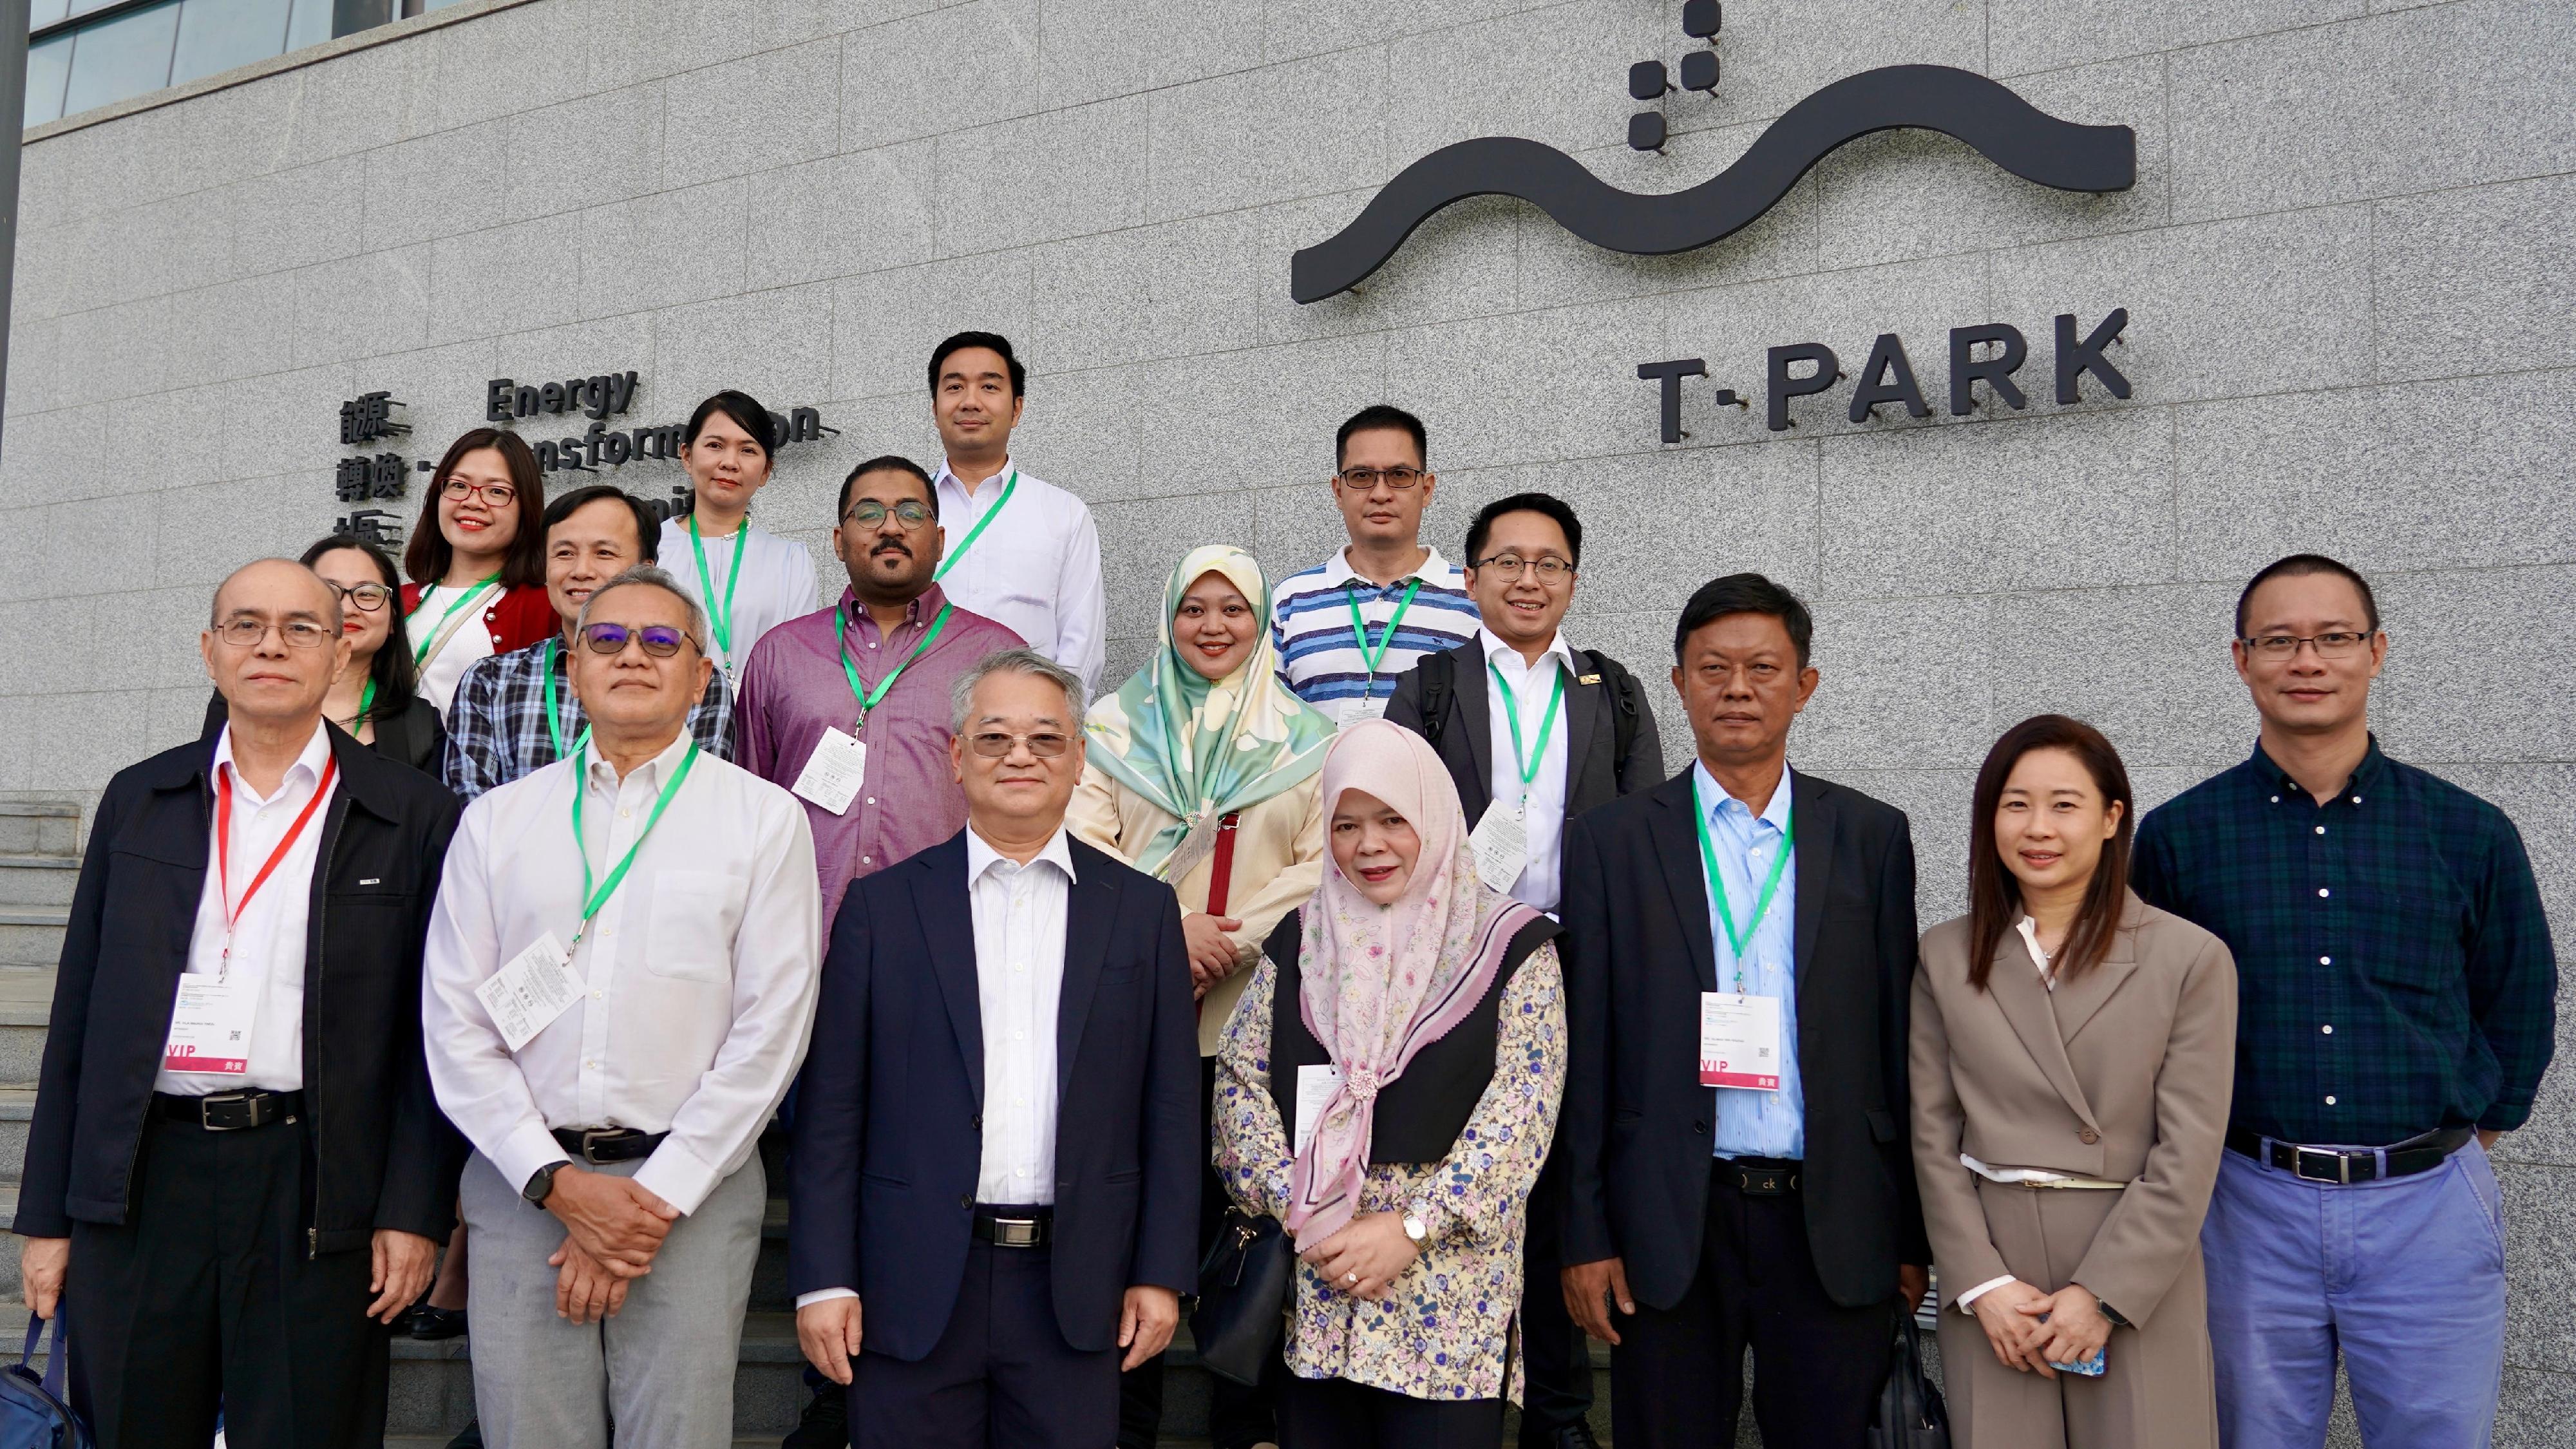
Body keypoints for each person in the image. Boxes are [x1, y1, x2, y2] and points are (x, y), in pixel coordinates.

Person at [16, 559, 463, 1449]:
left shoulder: (410, 812)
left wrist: (413, 1211)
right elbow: (77, 1018)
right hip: (146, 1175)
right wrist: (46, 1218)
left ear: (340, 651)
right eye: (246, 623)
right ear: (210, 650)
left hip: (315, 1178)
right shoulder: (140, 798)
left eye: (302, 626)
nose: (272, 643)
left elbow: (431, 1038)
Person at [2130, 554, 2557, 1449]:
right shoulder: (2181, 838)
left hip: (2427, 1201)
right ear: (2241, 660)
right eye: (2279, 640)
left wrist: (2462, 1135)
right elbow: (2148, 1018)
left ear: (2377, 651)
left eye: (2334, 637)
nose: (2308, 660)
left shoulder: (2467, 830)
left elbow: (2518, 995)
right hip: (2247, 1200)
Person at [421, 565, 821, 1448]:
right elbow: (456, 1024)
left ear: (701, 673)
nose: (631, 655)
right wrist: (560, 1186)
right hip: (523, 1188)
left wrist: (650, 1200)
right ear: (572, 664)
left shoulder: (764, 819)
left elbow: (774, 1024)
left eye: (659, 640)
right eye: (606, 639)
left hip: (691, 1193)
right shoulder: (496, 821)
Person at [788, 649, 1197, 1449]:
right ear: (956, 756)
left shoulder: (1143, 914)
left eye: (1046, 740)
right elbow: (833, 1112)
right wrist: (824, 1279)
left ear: (1080, 758)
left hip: (1078, 1289)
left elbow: (1171, 1110)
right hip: (908, 1284)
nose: (1020, 756)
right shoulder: (881, 908)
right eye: (994, 737)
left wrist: (1159, 1271)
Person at [1555, 572, 1929, 1449]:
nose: (1737, 687)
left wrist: (1911, 1235)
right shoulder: (1612, 840)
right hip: (1669, 1220)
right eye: (1712, 666)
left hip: (1831, 1217)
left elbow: (1899, 1044)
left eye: (1763, 667)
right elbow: (1588, 1046)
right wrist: (1585, 1230)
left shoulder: (1872, 837)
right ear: (1679, 683)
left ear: (1804, 684)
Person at [1381, 491, 1660, 1449]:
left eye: (1549, 563)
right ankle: (1453, 1393)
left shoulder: (1611, 690)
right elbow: (1392, 821)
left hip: (1578, 963)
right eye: (1508, 561)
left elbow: (1646, 834)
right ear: (1470, 578)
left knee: (1556, 1178)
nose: (1529, 578)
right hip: (1459, 966)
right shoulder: (1431, 686)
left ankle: (1557, 1411)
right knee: (1466, 1168)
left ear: (1573, 580)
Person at [1210, 719, 1567, 1448]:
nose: (1368, 846)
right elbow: (1240, 1084)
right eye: (1346, 825)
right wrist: (1307, 1212)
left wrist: (1411, 1228)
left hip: (1445, 1298)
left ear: (1432, 818)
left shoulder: (1511, 945)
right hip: (1318, 1283)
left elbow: (1522, 1113)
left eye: (1391, 821)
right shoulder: (1301, 937)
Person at [1070, 545, 1336, 1449]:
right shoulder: (1110, 727)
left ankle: (1246, 1421)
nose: (1214, 626)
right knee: (1133, 1220)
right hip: (1132, 1014)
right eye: (1196, 608)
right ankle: (1125, 1418)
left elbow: (1322, 861)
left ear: (1261, 623)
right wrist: (1164, 930)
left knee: (1248, 1220)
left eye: (1234, 609)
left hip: (1250, 1020)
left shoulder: (1306, 737)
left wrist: (1229, 937)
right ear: (1169, 617)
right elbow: (1078, 841)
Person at [1912, 715, 2237, 1448]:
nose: (2039, 828)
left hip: (2133, 1261)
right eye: (2015, 803)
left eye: (2065, 804)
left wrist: (2103, 1295)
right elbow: (1931, 1135)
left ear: (2111, 817)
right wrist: (1980, 1284)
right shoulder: (1944, 953)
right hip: (1995, 1265)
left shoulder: (2187, 958)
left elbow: (2189, 1152)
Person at [735, 454, 1025, 926]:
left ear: (940, 540)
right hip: (802, 935)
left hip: (948, 933)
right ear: (837, 541)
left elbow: (1023, 805)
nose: (891, 527)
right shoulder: (780, 655)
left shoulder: (999, 657)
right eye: (868, 513)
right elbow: (745, 808)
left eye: (912, 513)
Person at [442, 484, 734, 802]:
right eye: (564, 553)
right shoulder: (490, 682)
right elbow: (470, 810)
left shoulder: (692, 678)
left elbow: (701, 803)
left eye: (604, 553)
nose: (581, 571)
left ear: (645, 571)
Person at [922, 331, 1107, 694]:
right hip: (913, 731)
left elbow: (1082, 643)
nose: (970, 402)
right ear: (935, 408)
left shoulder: (1063, 513)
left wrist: (1049, 729)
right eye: (955, 387)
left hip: (1022, 736)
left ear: (1017, 409)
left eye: (989, 387)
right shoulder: (903, 512)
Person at [1271, 406, 1479, 726]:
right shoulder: (1290, 600)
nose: (1380, 494)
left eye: (1399, 475)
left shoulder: (1474, 596)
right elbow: (1269, 723)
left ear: (1426, 489)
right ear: (1338, 491)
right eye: (1361, 477)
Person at [198, 535, 447, 772]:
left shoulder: (420, 723)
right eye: (329, 592)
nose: (348, 609)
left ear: (392, 618)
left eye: (368, 594)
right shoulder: (249, 693)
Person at [661, 389, 822, 681]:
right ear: (686, 456)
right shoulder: (650, 547)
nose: (730, 462)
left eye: (748, 450)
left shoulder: (789, 561)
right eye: (715, 445)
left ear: (765, 472)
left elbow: (794, 665)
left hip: (753, 721)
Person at [402, 428, 555, 715]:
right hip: (388, 759)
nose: (473, 502)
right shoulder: (393, 600)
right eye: (459, 486)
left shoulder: (547, 608)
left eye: (497, 491)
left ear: (526, 508)